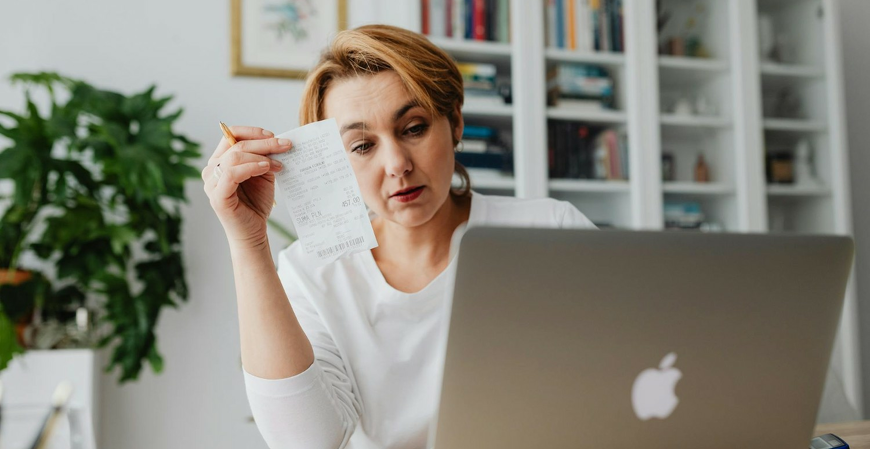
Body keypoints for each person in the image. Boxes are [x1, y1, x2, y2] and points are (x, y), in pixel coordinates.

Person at [202, 24, 596, 449]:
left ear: (455, 122)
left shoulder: (551, 232)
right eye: (362, 146)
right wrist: (249, 242)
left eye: (413, 128)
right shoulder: (312, 272)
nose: (396, 164)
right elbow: (306, 440)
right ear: (335, 160)